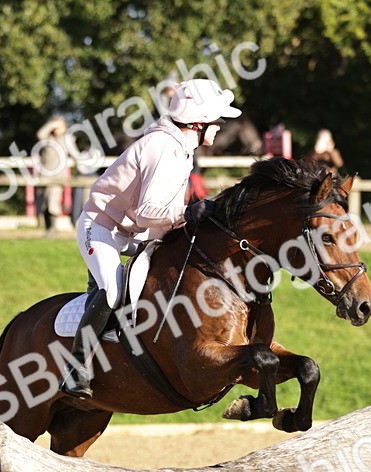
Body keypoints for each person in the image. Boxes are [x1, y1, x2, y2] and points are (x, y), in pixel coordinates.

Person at [59, 78, 241, 399]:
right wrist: (188, 213)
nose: (220, 126)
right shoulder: (163, 148)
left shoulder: (182, 148)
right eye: (217, 120)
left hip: (132, 230)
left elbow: (158, 219)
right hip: (101, 228)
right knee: (113, 290)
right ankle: (76, 367)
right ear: (198, 123)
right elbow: (148, 212)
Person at [35, 115, 72, 236]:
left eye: (59, 126)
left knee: (52, 203)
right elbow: (40, 134)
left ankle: (52, 230)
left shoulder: (67, 139)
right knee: (43, 203)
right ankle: (47, 229)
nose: (57, 129)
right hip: (44, 175)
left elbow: (75, 154)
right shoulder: (47, 139)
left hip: (58, 177)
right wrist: (51, 124)